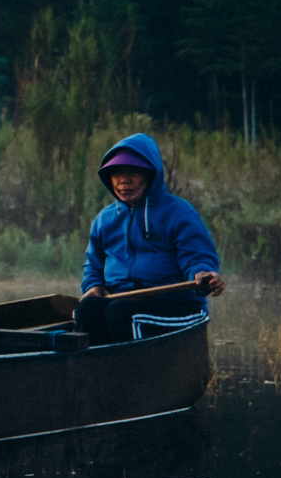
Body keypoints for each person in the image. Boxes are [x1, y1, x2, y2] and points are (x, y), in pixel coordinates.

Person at [77, 133, 225, 342]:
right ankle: (91, 371)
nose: (123, 180)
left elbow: (197, 258)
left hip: (177, 306)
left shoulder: (179, 213)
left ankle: (131, 372)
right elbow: (93, 265)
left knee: (121, 314)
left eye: (133, 172)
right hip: (121, 300)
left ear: (150, 176)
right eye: (117, 172)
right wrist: (93, 286)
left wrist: (202, 275)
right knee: (87, 309)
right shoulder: (104, 220)